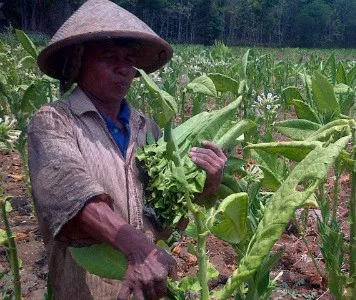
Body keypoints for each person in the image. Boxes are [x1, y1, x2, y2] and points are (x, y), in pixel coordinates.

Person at [28, 0, 226, 299]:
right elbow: (68, 194)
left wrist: (203, 187)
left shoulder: (147, 128)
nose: (124, 69)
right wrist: (136, 247)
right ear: (78, 62)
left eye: (128, 59)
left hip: (147, 286)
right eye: (109, 57)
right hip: (84, 288)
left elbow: (165, 216)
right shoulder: (54, 121)